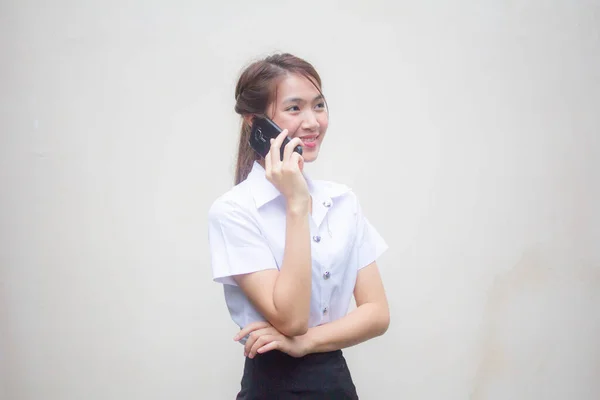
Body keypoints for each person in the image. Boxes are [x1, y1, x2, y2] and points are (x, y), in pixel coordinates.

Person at [207, 53, 390, 399]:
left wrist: (305, 343)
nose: (312, 122)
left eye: (318, 106)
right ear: (255, 123)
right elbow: (290, 319)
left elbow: (377, 313)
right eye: (294, 109)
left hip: (336, 384)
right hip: (272, 386)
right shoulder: (233, 211)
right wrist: (296, 203)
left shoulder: (343, 202)